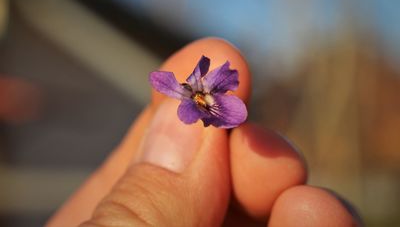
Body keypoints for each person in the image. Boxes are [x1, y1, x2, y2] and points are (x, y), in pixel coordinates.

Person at [46, 38, 362, 227]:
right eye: (197, 96)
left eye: (202, 95)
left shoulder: (202, 97)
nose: (200, 98)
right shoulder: (188, 99)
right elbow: (170, 85)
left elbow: (212, 89)